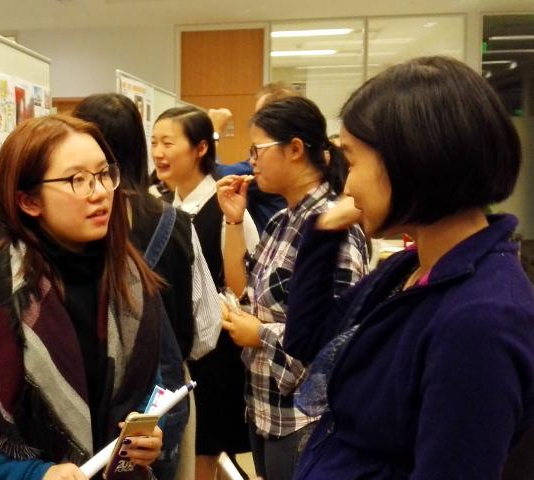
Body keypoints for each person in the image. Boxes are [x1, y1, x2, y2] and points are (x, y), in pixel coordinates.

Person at [282, 56, 534, 479]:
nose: (347, 186)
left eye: (353, 162)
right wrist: (324, 231)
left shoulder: (480, 319)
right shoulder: (410, 268)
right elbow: (309, 339)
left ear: (413, 159)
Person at [0, 115, 164, 480]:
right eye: (77, 180)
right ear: (28, 201)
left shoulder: (127, 274)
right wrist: (31, 473)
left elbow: (141, 387)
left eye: (104, 174)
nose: (100, 191)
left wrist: (147, 436)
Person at [72, 93, 224, 480]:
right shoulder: (173, 222)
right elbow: (206, 331)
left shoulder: (65, 223)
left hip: (80, 395)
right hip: (159, 404)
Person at [217, 96, 369, 480]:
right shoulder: (281, 220)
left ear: (296, 149)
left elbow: (340, 340)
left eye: (258, 150)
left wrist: (260, 334)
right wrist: (233, 221)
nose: (251, 161)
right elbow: (243, 289)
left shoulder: (334, 226)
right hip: (265, 407)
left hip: (307, 419)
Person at [151, 105, 259, 480]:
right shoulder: (166, 206)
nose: (158, 152)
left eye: (168, 143)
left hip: (214, 354)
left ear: (200, 148)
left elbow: (244, 285)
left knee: (204, 453)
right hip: (175, 348)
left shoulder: (226, 204)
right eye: (154, 142)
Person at [210, 83, 296, 231]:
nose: (252, 161)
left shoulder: (269, 165)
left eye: (259, 116)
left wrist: (214, 131)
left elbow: (212, 172)